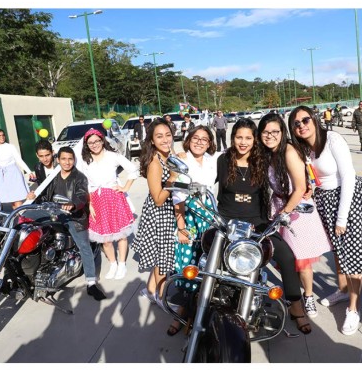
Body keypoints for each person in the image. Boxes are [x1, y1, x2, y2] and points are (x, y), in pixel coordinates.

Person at [288, 105, 362, 336]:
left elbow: (348, 176)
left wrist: (342, 217)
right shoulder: (305, 148)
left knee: (354, 257)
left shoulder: (332, 139)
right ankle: (343, 290)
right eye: (295, 123)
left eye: (304, 120)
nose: (301, 125)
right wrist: (312, 189)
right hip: (325, 201)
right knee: (339, 253)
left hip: (348, 199)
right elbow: (316, 176)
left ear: (314, 119)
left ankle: (354, 308)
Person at [216, 118, 311, 334]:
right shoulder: (223, 160)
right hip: (228, 222)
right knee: (208, 258)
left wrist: (308, 187)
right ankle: (196, 309)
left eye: (248, 138)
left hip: (257, 223)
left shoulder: (263, 160)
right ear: (232, 138)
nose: (243, 142)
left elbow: (293, 173)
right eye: (239, 137)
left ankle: (296, 307)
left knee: (286, 257)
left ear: (254, 140)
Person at [258, 113, 332, 319]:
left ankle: (307, 296)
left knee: (302, 259)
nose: (270, 136)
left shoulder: (288, 152)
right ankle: (293, 294)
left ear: (282, 132)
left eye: (275, 131)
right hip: (279, 206)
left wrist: (285, 213)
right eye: (265, 132)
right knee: (283, 257)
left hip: (295, 209)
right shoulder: (266, 153)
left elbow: (300, 188)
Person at [26, 147, 106, 301]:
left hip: (73, 217)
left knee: (84, 247)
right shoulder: (53, 176)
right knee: (27, 222)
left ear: (74, 160)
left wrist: (73, 204)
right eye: (63, 159)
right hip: (54, 213)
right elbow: (44, 195)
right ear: (58, 159)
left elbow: (82, 195)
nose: (67, 162)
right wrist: (33, 196)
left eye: (70, 159)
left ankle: (91, 283)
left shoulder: (79, 177)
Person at [167, 125, 219, 336]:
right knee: (188, 265)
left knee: (206, 265)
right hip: (188, 218)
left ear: (210, 143)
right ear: (188, 140)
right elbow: (177, 197)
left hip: (209, 219)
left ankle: (196, 313)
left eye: (204, 139)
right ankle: (183, 311)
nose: (199, 142)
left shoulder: (212, 161)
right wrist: (181, 228)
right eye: (195, 138)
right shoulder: (182, 160)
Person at [79, 128, 138, 280]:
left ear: (102, 140)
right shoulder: (85, 161)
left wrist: (125, 187)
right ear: (86, 144)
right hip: (96, 200)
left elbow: (133, 170)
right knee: (105, 238)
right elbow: (85, 184)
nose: (94, 145)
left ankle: (122, 264)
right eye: (90, 142)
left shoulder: (112, 156)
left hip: (114, 198)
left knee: (121, 235)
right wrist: (89, 204)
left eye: (97, 141)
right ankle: (113, 264)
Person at [132, 118, 179, 307]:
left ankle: (150, 291)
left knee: (162, 258)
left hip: (168, 212)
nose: (165, 140)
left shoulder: (168, 155)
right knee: (163, 260)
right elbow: (158, 199)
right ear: (151, 140)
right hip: (160, 215)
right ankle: (162, 297)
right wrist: (173, 178)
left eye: (168, 135)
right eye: (159, 136)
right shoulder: (154, 163)